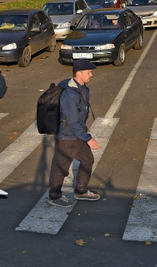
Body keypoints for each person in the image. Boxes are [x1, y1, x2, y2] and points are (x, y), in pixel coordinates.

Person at [48, 59, 103, 207]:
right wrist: (88, 139)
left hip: (77, 135)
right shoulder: (70, 94)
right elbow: (72, 122)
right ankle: (54, 196)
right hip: (68, 137)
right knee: (61, 167)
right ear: (78, 73)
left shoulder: (82, 87)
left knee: (87, 160)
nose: (91, 75)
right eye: (88, 72)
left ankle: (81, 190)